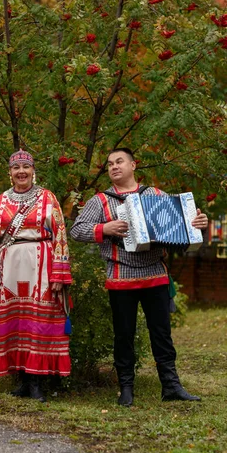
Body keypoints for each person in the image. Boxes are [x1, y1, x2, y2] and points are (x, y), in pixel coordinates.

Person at [70, 147, 208, 406]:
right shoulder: (100, 200)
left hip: (155, 273)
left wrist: (198, 222)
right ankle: (126, 389)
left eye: (119, 161)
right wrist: (104, 228)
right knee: (123, 335)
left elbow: (182, 223)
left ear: (133, 166)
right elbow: (76, 230)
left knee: (162, 333)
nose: (114, 166)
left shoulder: (155, 195)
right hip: (120, 275)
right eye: (110, 163)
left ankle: (171, 386)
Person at [0, 149, 72, 402]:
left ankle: (36, 383)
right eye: (16, 168)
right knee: (16, 322)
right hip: (9, 269)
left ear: (33, 171)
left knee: (37, 324)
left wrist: (59, 274)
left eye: (26, 167)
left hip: (40, 266)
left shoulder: (47, 199)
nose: (21, 172)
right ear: (9, 173)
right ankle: (21, 380)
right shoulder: (0, 202)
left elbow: (60, 235)